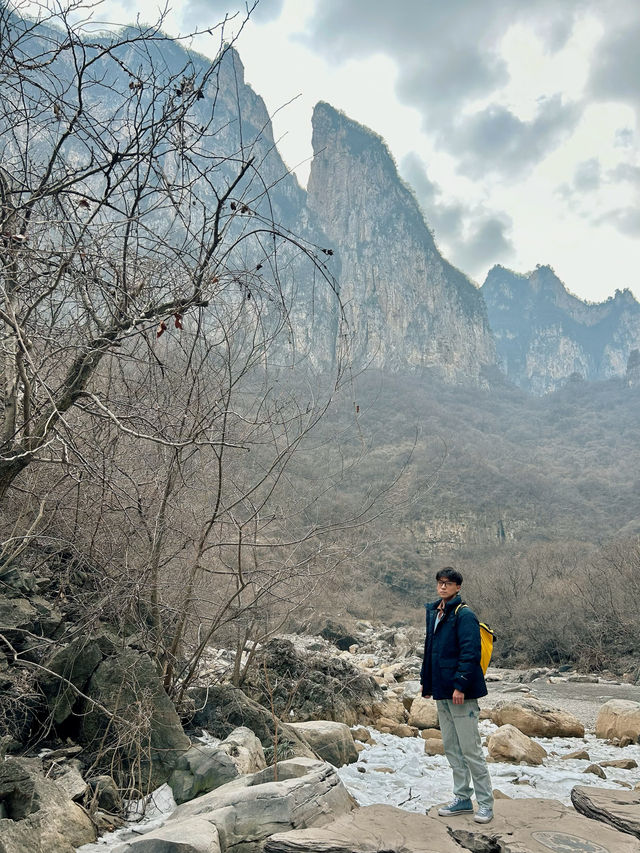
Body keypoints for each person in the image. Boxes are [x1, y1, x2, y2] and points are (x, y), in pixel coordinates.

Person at [420, 566, 494, 824]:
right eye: (440, 583)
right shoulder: (435, 613)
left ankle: (485, 804)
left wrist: (461, 686)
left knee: (471, 750)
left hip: (461, 693)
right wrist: (426, 684)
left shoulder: (465, 616)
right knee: (452, 748)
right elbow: (431, 651)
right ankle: (462, 798)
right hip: (442, 691)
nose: (443, 587)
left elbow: (470, 653)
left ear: (457, 587)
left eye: (448, 584)